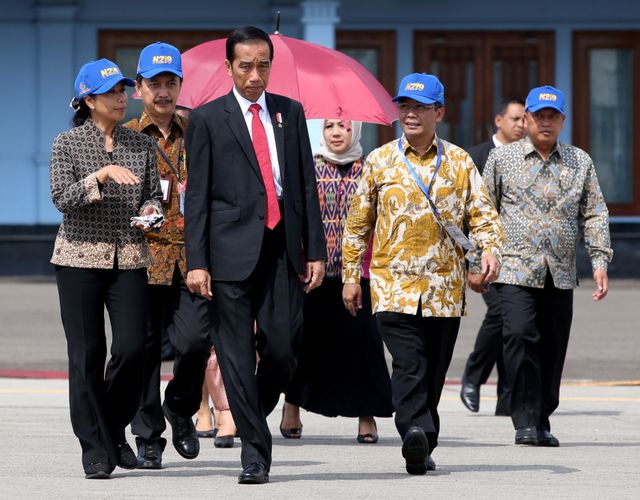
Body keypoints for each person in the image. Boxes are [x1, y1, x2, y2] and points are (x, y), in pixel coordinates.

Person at [183, 26, 326, 484]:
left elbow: (306, 186)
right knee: (236, 353)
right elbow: (197, 198)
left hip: (283, 246)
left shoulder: (290, 112)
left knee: (284, 347)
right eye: (245, 65)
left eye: (263, 65)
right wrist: (197, 261)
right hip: (227, 254)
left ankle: (247, 412)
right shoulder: (207, 118)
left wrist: (316, 250)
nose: (254, 74)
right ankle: (255, 455)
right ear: (229, 67)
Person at [342, 73, 503, 475]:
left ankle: (423, 440)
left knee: (433, 368)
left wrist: (490, 252)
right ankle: (412, 427)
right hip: (392, 284)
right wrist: (349, 275)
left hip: (443, 288)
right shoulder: (380, 161)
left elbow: (483, 216)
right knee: (409, 362)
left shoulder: (460, 162)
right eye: (405, 107)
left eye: (420, 107)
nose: (410, 114)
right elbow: (357, 223)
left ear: (439, 112)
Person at [480, 85, 612, 447]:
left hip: (560, 270)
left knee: (552, 346)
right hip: (513, 269)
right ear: (526, 119)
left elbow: (595, 212)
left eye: (553, 116)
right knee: (520, 335)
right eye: (538, 116)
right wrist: (480, 257)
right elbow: (482, 210)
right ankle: (523, 418)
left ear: (562, 121)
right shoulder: (502, 159)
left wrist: (599, 260)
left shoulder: (579, 161)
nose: (545, 122)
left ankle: (541, 416)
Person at [50, 58, 161, 479]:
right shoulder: (67, 143)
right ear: (89, 99)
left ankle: (113, 425)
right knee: (87, 353)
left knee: (134, 349)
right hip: (78, 258)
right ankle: (94, 447)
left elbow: (153, 198)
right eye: (113, 92)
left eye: (124, 90)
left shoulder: (142, 146)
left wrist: (150, 215)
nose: (123, 98)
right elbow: (61, 197)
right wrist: (100, 175)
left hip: (130, 256)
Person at [124, 42, 211, 469]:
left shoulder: (198, 131)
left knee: (196, 340)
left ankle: (180, 406)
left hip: (191, 259)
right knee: (142, 349)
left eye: (170, 82)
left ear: (180, 86)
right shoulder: (124, 138)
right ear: (138, 87)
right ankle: (148, 435)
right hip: (140, 258)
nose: (163, 91)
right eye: (153, 83)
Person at [281, 119, 393, 443]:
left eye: (344, 126)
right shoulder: (309, 167)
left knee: (363, 344)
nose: (336, 132)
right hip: (313, 271)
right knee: (305, 343)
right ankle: (292, 406)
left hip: (359, 274)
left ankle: (366, 416)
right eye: (329, 126)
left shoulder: (369, 169)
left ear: (355, 131)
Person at [460, 97, 526, 415]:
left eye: (524, 119)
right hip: (484, 254)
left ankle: (506, 396)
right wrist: (471, 258)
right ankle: (473, 378)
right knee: (501, 314)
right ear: (498, 120)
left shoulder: (529, 158)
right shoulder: (474, 157)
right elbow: (465, 213)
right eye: (515, 118)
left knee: (513, 325)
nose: (522, 124)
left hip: (519, 257)